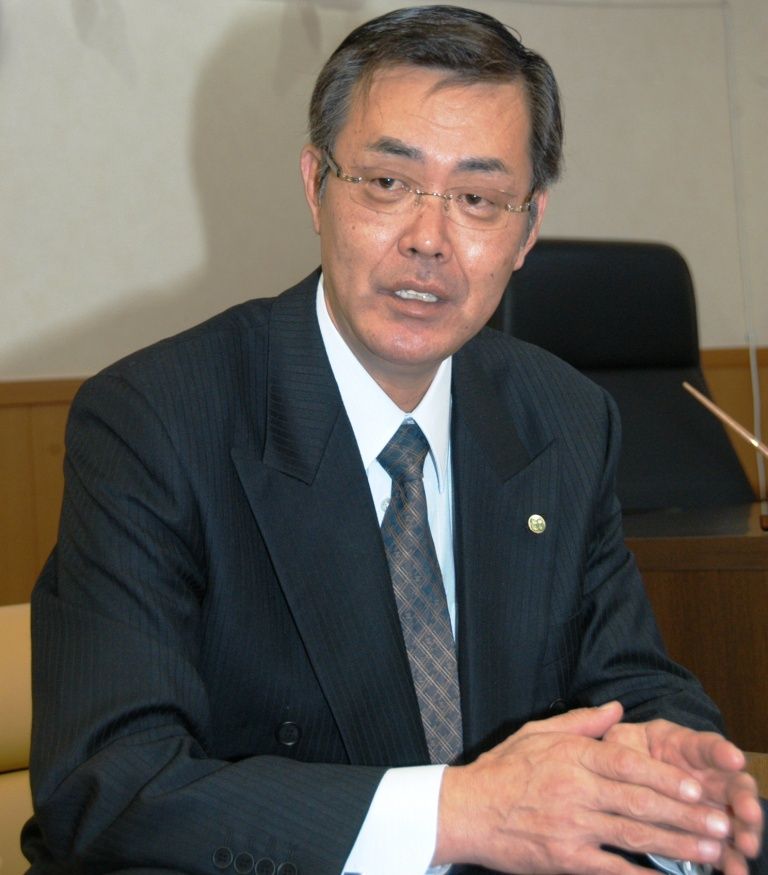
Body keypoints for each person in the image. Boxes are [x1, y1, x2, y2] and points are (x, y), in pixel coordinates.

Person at [24, 6, 764, 875]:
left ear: (527, 229)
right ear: (316, 185)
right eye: (386, 182)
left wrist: (676, 772)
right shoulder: (156, 419)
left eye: (478, 200)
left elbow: (628, 680)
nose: (427, 241)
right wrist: (459, 813)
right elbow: (111, 786)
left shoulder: (563, 418)